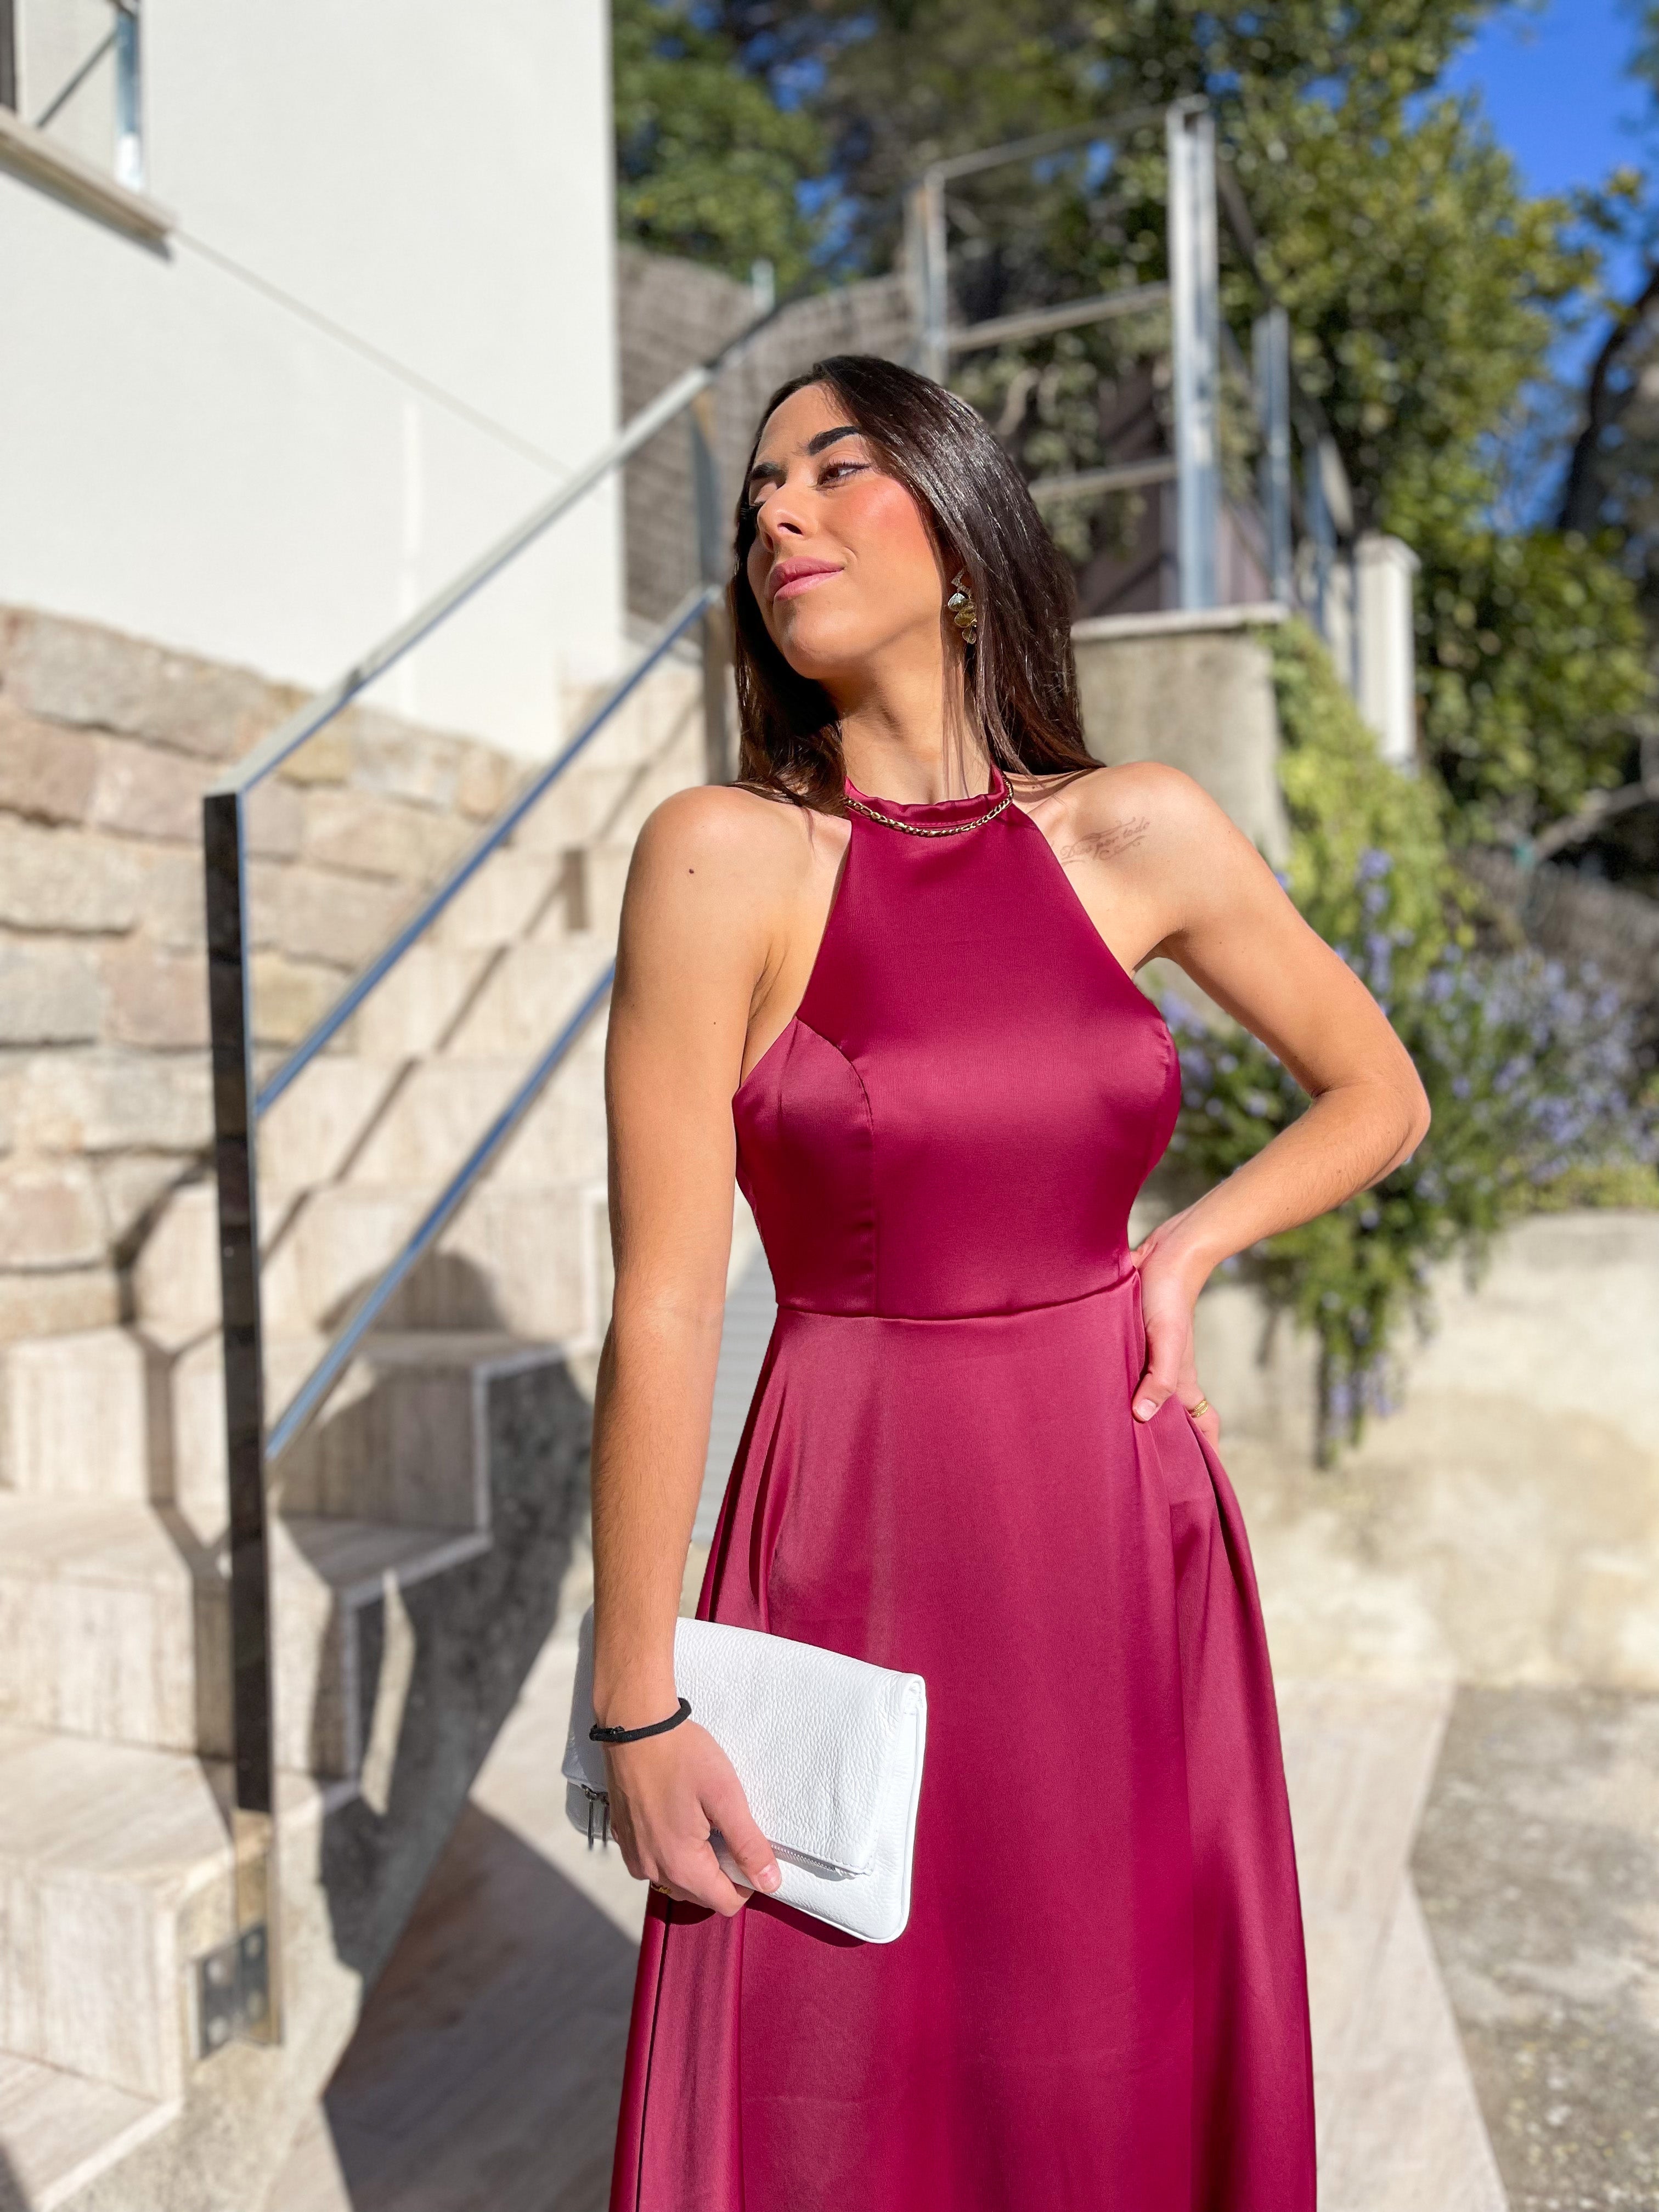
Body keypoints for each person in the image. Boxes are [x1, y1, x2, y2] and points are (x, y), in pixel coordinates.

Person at [588, 353, 1429, 2211]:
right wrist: (636, 1698)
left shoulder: (1140, 831)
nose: (778, 516)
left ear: (963, 532)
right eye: (755, 503)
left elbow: (1379, 1091)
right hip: (854, 1529)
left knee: (1114, 2040)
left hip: (1119, 1530)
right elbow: (661, 1304)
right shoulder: (723, 858)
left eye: (836, 470)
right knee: (833, 2062)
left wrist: (1190, 1243)